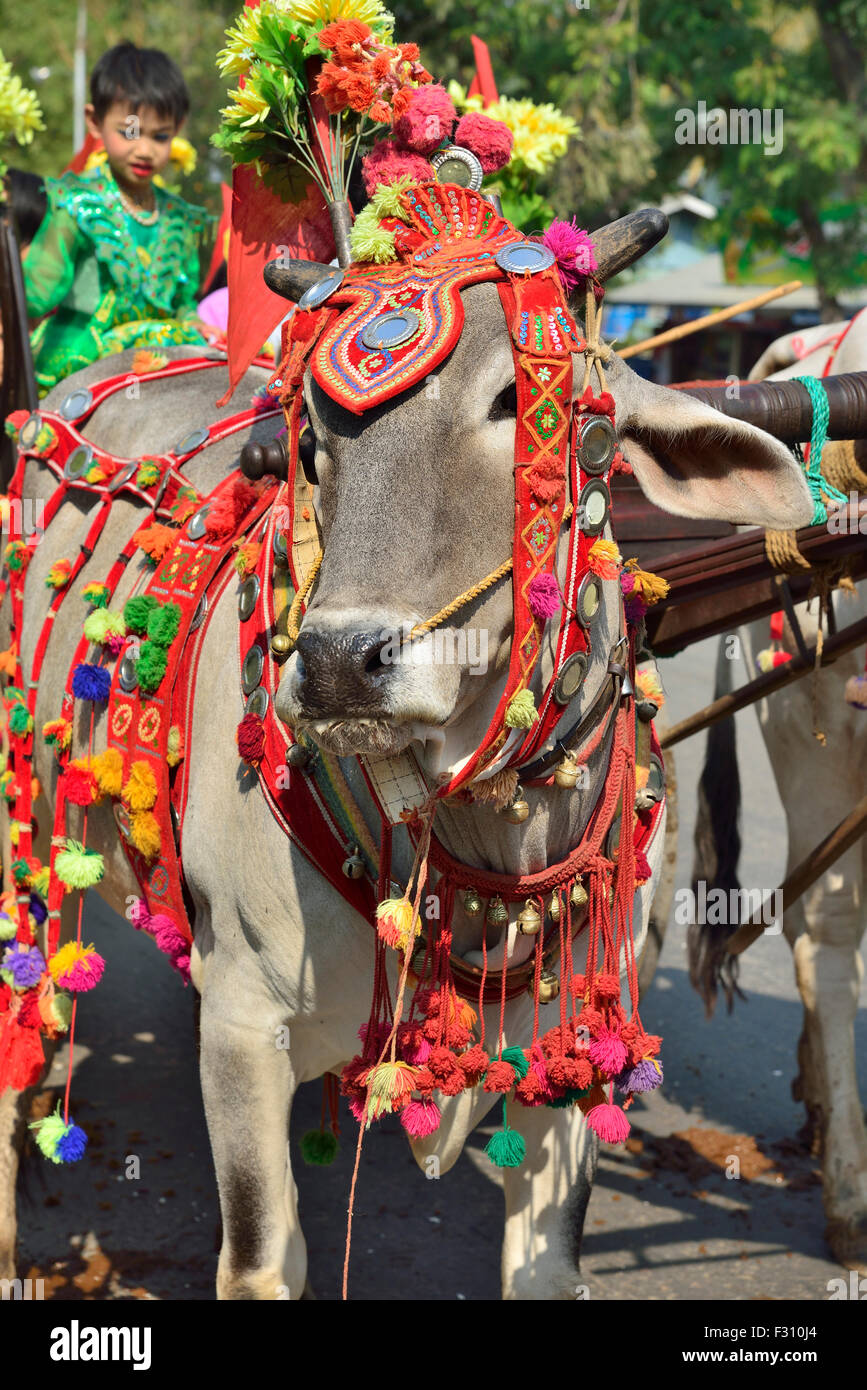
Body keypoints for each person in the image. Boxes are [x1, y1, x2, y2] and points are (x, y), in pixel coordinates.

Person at [23, 42, 213, 394]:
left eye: (160, 136)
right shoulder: (77, 204)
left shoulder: (181, 219)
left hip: (164, 351)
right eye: (129, 132)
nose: (144, 149)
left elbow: (183, 304)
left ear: (178, 127)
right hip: (84, 355)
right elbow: (34, 294)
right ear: (95, 121)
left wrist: (195, 323)